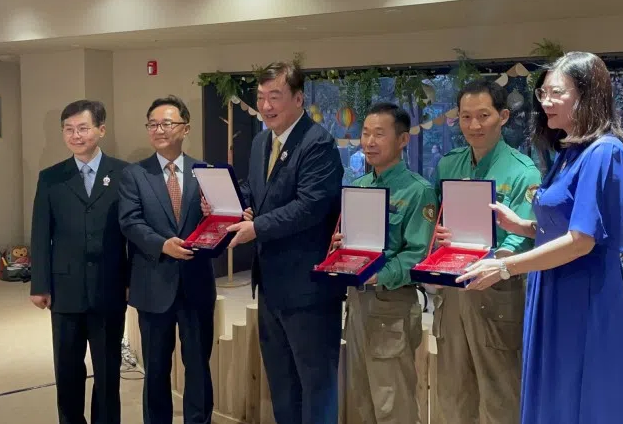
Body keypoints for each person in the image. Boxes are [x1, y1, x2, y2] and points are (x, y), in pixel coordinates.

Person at [454, 51, 623, 424]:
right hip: (551, 284)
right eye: (543, 94)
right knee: (548, 393)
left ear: (587, 94)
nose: (546, 102)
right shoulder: (570, 151)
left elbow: (583, 240)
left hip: (582, 295)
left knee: (578, 395)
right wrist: (521, 227)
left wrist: (505, 266)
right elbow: (564, 225)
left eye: (556, 93)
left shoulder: (605, 152)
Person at [205, 61, 344, 424]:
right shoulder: (260, 141)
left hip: (308, 288)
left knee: (315, 383)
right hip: (269, 285)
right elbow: (257, 192)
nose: (266, 106)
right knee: (281, 382)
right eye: (261, 96)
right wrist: (232, 205)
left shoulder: (319, 144)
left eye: (275, 96)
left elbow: (310, 206)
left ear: (298, 98)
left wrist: (258, 226)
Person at [431, 78, 541, 424]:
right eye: (466, 117)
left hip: (498, 292)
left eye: (483, 115)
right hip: (453, 291)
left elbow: (523, 238)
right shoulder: (449, 165)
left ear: (503, 116)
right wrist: (435, 236)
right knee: (452, 389)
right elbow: (437, 219)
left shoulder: (524, 171)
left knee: (500, 392)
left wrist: (494, 263)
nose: (474, 125)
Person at [330, 102, 436, 424]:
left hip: (392, 304)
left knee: (393, 400)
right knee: (361, 396)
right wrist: (341, 249)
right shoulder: (359, 187)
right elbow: (352, 242)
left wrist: (378, 274)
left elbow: (418, 253)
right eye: (365, 134)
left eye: (380, 134)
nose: (370, 142)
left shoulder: (419, 191)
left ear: (403, 140)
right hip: (358, 302)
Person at [30, 100, 130, 424]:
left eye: (83, 128)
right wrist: (40, 284)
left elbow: (133, 233)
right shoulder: (51, 178)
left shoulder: (125, 174)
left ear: (101, 129)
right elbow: (40, 234)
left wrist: (130, 280)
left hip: (109, 289)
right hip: (65, 291)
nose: (76, 135)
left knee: (107, 372)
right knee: (68, 372)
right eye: (69, 129)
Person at [117, 96, 215, 424]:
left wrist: (215, 215)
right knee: (156, 369)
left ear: (185, 128)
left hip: (196, 285)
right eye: (153, 124)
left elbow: (220, 223)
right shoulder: (134, 175)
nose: (159, 130)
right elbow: (130, 222)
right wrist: (162, 245)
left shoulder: (206, 173)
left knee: (198, 365)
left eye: (167, 123)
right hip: (153, 285)